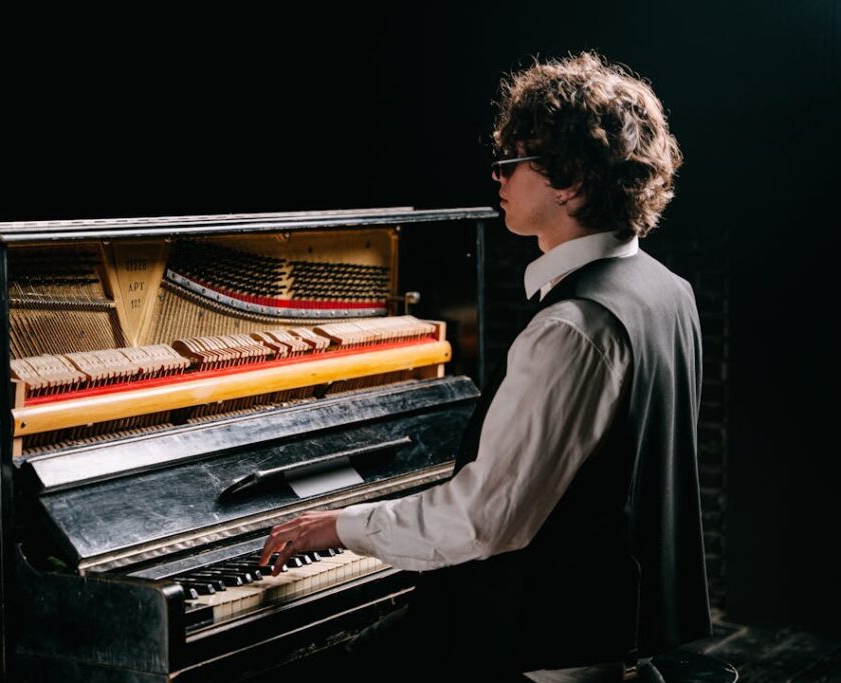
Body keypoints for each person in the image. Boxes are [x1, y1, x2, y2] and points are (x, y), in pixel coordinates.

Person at [260, 52, 711, 681]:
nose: (497, 179)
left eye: (512, 163)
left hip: (542, 651)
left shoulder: (570, 326)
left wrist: (340, 525)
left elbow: (479, 520)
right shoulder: (667, 289)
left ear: (569, 182)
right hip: (619, 631)